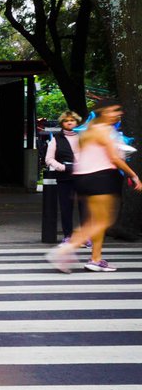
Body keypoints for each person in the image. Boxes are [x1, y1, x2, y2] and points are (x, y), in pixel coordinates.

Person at [46, 99, 142, 272]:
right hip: (101, 177)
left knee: (96, 220)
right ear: (104, 112)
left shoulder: (89, 130)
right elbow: (114, 158)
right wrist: (134, 176)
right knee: (103, 221)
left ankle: (95, 259)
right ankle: (65, 250)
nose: (118, 113)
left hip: (84, 178)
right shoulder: (103, 131)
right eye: (114, 110)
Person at [44, 110, 84, 244]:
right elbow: (49, 159)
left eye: (72, 120)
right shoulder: (56, 139)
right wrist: (63, 167)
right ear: (62, 123)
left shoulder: (84, 137)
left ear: (77, 122)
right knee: (66, 207)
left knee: (85, 208)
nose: (69, 122)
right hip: (64, 178)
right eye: (66, 121)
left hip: (83, 177)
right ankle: (68, 235)